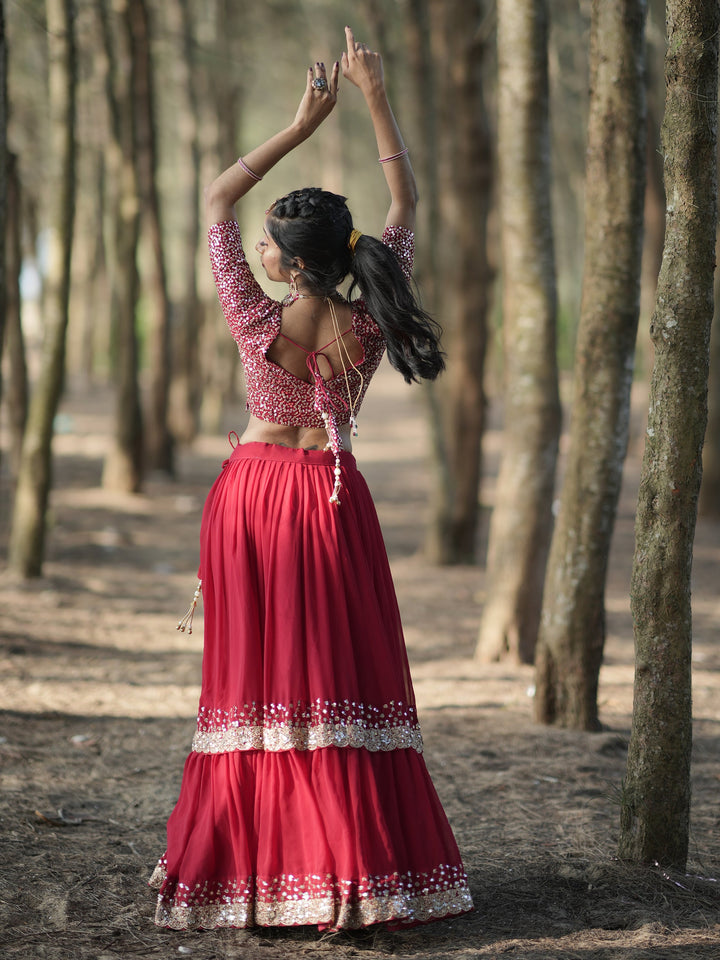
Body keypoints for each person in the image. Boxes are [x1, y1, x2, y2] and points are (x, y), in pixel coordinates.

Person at [150, 26, 473, 931]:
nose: (255, 247)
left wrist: (302, 122)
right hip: (330, 498)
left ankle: (258, 877)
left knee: (255, 687)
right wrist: (372, 95)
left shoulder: (255, 318)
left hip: (253, 499)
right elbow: (406, 198)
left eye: (267, 243)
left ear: (288, 263)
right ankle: (352, 878)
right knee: (335, 680)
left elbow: (218, 192)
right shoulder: (372, 314)